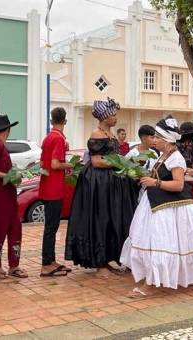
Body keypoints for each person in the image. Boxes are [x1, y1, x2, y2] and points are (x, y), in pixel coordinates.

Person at [120, 117, 193, 298]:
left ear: (167, 140)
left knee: (162, 244)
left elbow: (178, 184)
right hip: (158, 204)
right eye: (154, 137)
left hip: (170, 208)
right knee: (165, 243)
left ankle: (150, 284)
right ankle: (162, 278)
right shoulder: (164, 155)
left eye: (157, 138)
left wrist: (155, 182)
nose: (154, 140)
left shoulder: (176, 157)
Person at [65, 98, 138, 279]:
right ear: (104, 117)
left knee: (113, 218)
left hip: (111, 181)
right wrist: (120, 162)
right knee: (101, 219)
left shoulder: (110, 135)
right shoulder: (97, 134)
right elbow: (97, 161)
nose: (116, 118)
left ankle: (107, 261)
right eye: (113, 115)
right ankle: (100, 264)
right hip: (98, 183)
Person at [0, 115, 27, 279]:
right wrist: (7, 176)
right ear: (8, 129)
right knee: (0, 229)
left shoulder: (0, 144)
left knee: (15, 227)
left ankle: (13, 265)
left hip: (8, 194)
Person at [39, 107, 74, 277]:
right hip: (54, 189)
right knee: (51, 228)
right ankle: (46, 264)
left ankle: (51, 260)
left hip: (47, 186)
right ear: (65, 121)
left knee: (51, 227)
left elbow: (43, 164)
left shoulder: (47, 138)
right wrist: (69, 165)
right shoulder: (59, 139)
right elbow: (55, 164)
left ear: (51, 121)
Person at [126, 125, 159, 200]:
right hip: (136, 191)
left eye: (156, 137)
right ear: (144, 139)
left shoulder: (154, 153)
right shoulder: (132, 154)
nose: (155, 140)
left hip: (151, 191)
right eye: (152, 137)